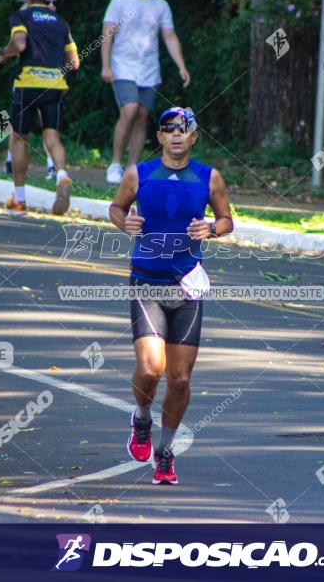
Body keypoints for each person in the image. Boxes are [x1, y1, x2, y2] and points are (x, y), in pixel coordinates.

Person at [109, 107, 233, 485]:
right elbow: (116, 208)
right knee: (151, 369)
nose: (176, 135)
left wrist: (211, 229)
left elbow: (228, 221)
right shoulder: (139, 175)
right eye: (169, 130)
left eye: (184, 129)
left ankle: (165, 451)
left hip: (187, 286)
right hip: (147, 281)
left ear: (193, 137)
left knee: (179, 379)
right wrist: (123, 220)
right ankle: (141, 419)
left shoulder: (209, 177)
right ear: (160, 137)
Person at [0, 0, 78, 214]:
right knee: (52, 136)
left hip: (28, 85)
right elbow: (74, 62)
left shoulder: (21, 15)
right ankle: (61, 176)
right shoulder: (60, 21)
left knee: (19, 137)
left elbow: (19, 43)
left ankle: (19, 200)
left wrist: (4, 54)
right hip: (54, 85)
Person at [101, 0, 191, 185]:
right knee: (130, 109)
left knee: (142, 115)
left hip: (149, 71)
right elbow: (107, 34)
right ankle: (115, 163)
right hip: (122, 67)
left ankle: (132, 168)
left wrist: (181, 65)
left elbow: (169, 36)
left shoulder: (161, 5)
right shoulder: (119, 1)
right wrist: (106, 66)